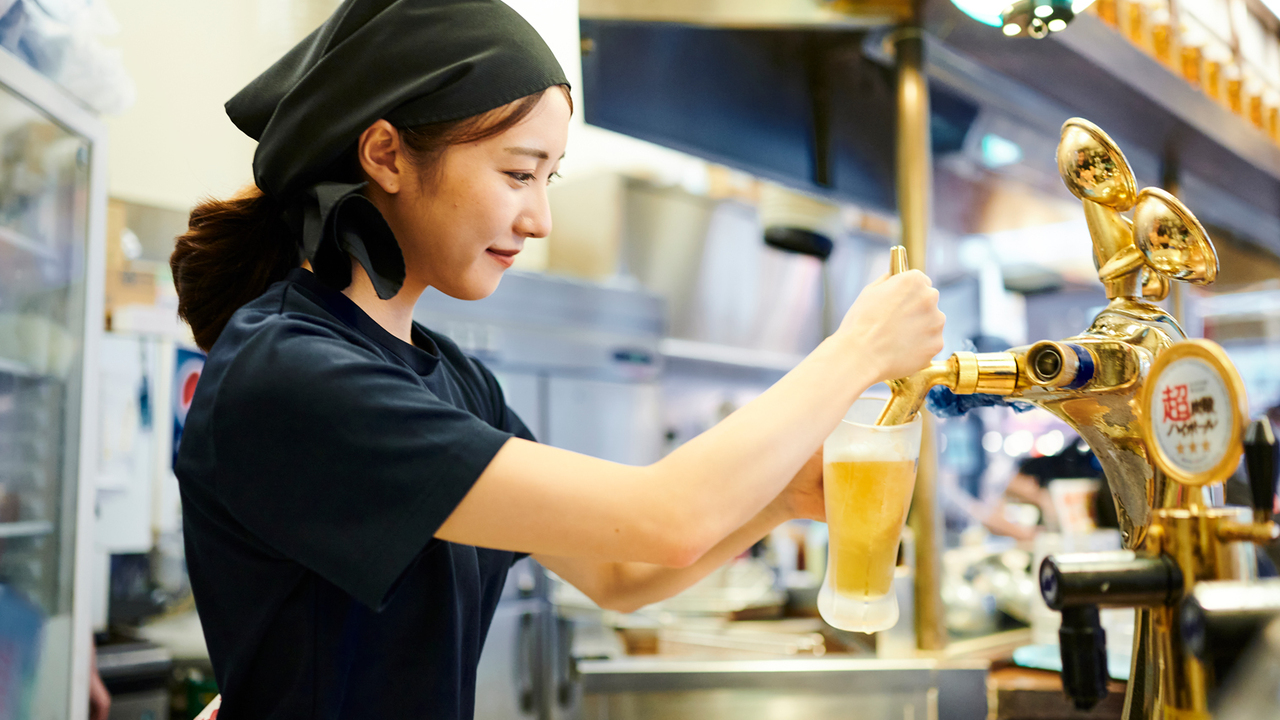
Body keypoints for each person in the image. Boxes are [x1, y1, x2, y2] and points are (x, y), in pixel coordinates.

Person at [168, 1, 946, 718]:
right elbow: (665, 519)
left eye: (549, 177)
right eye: (517, 172)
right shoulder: (292, 373)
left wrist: (781, 498)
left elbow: (620, 575)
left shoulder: (450, 379)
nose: (538, 218)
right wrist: (858, 349)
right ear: (386, 154)